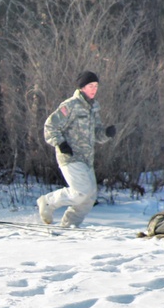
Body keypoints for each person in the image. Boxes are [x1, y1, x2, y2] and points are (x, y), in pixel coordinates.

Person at [37, 71, 116, 228]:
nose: (94, 89)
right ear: (81, 87)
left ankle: (69, 226)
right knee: (81, 191)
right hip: (70, 156)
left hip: (86, 159)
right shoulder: (70, 105)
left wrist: (106, 133)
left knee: (89, 197)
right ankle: (47, 202)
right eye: (90, 86)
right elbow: (50, 125)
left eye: (96, 86)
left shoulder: (93, 108)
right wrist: (61, 143)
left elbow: (96, 135)